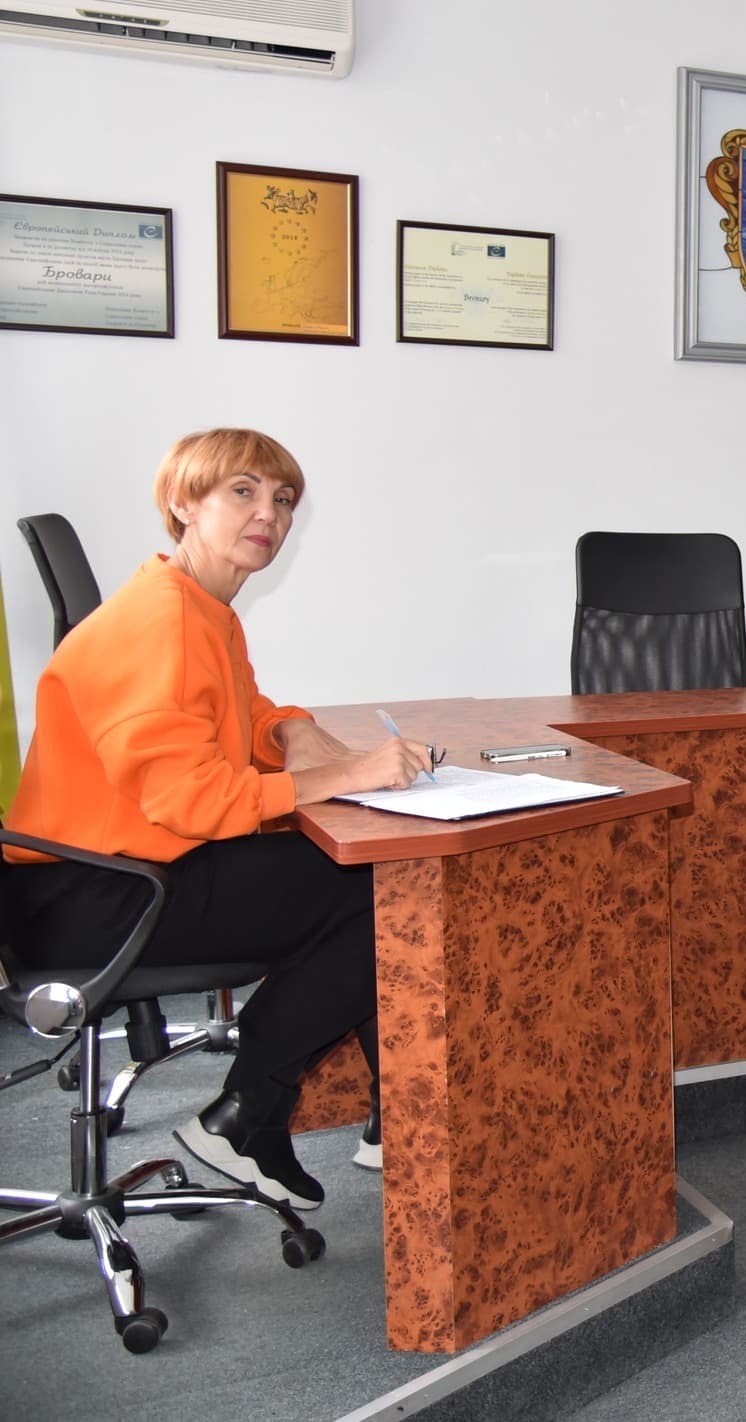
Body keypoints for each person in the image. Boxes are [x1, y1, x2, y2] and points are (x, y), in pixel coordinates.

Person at [0, 429, 434, 1210]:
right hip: (98, 898)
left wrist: (290, 730)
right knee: (381, 890)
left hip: (116, 873)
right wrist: (350, 773)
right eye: (243, 492)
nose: (269, 513)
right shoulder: (160, 620)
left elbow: (234, 708)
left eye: (283, 499)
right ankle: (251, 1112)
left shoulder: (198, 605)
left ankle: (378, 1113)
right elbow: (192, 801)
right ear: (182, 503)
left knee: (366, 875)